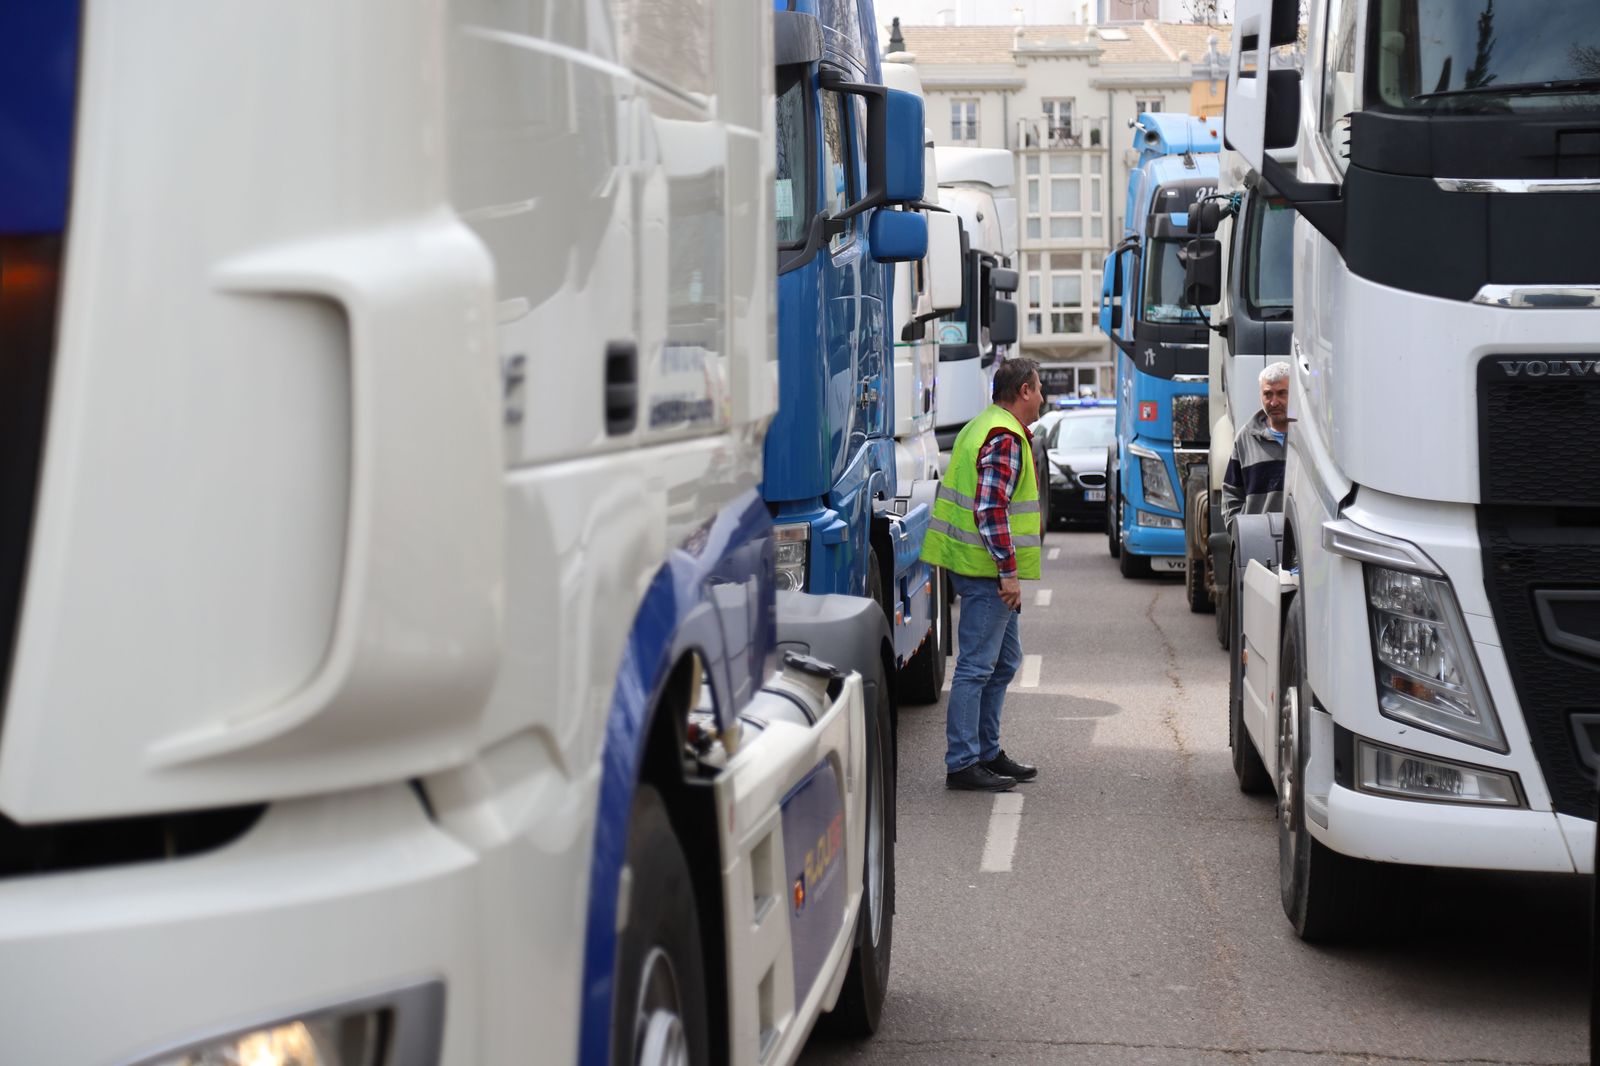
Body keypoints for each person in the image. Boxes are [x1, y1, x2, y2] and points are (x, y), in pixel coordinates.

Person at [920, 357, 1045, 792]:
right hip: (986, 572)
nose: (1043, 397)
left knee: (1005, 661)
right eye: (1039, 388)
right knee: (976, 667)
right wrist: (1008, 575)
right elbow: (990, 511)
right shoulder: (1004, 436)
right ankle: (963, 763)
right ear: (1024, 391)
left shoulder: (984, 424)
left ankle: (987, 753)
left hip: (981, 568)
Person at [1221, 361, 1290, 526]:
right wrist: (1242, 533)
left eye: (1282, 393)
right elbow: (1231, 495)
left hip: (1305, 546)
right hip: (1259, 544)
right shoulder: (1245, 438)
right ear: (1260, 395)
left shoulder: (1307, 438)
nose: (1274, 402)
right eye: (1268, 394)